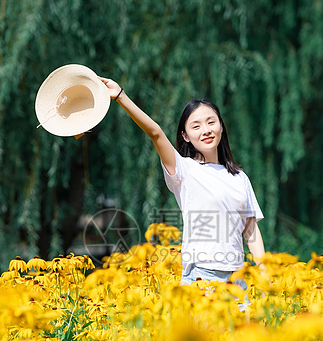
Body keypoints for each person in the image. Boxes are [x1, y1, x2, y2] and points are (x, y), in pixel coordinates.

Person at [98, 77, 265, 287]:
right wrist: (121, 96)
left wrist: (264, 272)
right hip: (202, 277)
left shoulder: (239, 177)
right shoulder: (184, 170)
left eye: (211, 122)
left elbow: (250, 229)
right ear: (185, 136)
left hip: (238, 278)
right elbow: (156, 133)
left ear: (221, 127)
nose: (206, 130)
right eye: (196, 126)